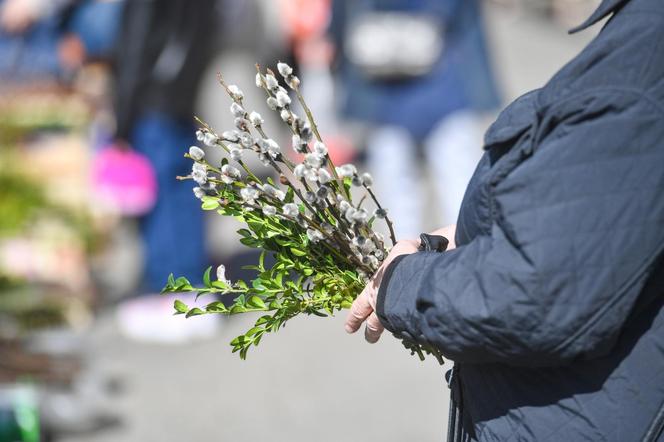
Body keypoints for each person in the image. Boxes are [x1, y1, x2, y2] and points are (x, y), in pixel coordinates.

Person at [345, 0, 664, 440]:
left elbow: (536, 292)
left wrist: (401, 283)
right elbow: (614, 214)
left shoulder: (641, 68)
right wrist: (482, 233)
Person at [329, 0, 500, 237]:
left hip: (392, 91)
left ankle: (404, 262)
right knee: (456, 190)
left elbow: (342, 21)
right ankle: (463, 257)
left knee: (402, 199)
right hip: (438, 85)